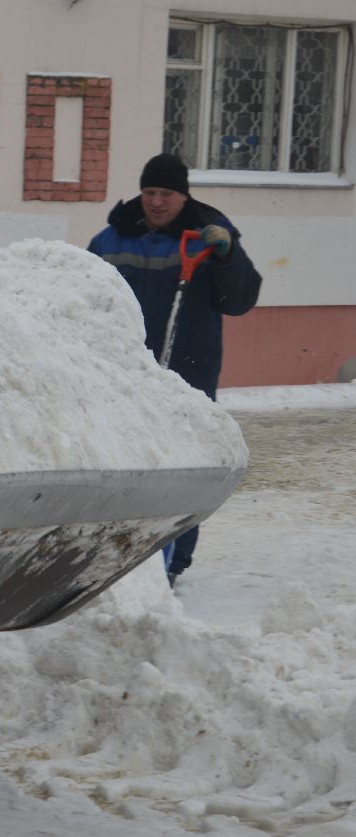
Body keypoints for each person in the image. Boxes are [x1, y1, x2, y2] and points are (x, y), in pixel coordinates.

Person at [88, 153, 261, 584]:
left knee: (185, 464)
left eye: (167, 194)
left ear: (184, 196)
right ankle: (118, 555)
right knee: (126, 460)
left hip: (189, 371)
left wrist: (226, 257)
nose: (157, 202)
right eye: (150, 192)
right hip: (124, 372)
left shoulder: (208, 239)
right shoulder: (111, 241)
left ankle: (173, 560)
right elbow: (82, 294)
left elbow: (240, 301)